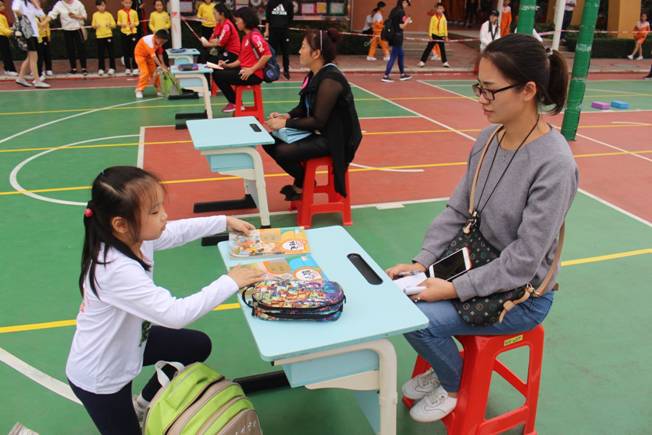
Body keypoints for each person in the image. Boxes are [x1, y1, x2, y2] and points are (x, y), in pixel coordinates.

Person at [386, 34, 578, 423]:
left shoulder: (555, 165)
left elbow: (523, 262)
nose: (482, 99)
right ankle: (447, 367)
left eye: (490, 90)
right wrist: (421, 263)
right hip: (474, 263)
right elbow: (458, 210)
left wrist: (452, 289)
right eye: (479, 88)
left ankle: (456, 381)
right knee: (397, 297)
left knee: (416, 320)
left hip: (521, 295)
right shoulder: (489, 138)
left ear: (528, 90)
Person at [66, 166, 263, 434]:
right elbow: (175, 315)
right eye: (154, 212)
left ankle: (143, 403)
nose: (164, 216)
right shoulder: (115, 268)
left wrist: (223, 222)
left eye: (161, 207)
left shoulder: (134, 238)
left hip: (132, 341)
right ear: (120, 224)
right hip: (102, 375)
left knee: (195, 346)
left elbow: (176, 231)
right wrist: (231, 280)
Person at [263, 29, 362, 202]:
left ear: (316, 53)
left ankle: (305, 182)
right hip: (320, 132)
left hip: (336, 139)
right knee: (268, 141)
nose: (299, 51)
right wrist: (286, 116)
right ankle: (304, 181)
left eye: (303, 47)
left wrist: (285, 124)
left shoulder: (330, 80)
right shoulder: (314, 75)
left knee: (282, 151)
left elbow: (318, 121)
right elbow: (304, 107)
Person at [211, 6, 271, 113]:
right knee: (219, 71)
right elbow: (240, 60)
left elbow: (267, 55)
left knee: (218, 75)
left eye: (238, 20)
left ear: (245, 20)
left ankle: (235, 103)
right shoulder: (245, 37)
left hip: (254, 75)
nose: (236, 23)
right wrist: (226, 65)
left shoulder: (255, 36)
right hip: (245, 71)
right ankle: (235, 102)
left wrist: (251, 70)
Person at [12, 0, 49, 87]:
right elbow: (15, 9)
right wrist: (23, 18)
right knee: (34, 57)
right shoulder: (19, 1)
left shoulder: (30, 4)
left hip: (34, 33)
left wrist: (36, 4)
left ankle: (20, 78)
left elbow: (42, 15)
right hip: (27, 32)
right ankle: (37, 81)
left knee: (30, 57)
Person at [48, 0, 88, 75]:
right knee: (70, 49)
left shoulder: (78, 3)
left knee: (81, 48)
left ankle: (84, 68)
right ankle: (73, 68)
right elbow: (53, 14)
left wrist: (76, 16)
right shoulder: (60, 4)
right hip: (67, 30)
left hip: (77, 29)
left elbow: (85, 16)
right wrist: (46, 20)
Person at [382, 0, 412, 83]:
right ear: (403, 2)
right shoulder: (401, 11)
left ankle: (402, 74)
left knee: (401, 54)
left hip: (393, 35)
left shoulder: (394, 10)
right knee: (393, 56)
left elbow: (394, 21)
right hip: (397, 36)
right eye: (406, 3)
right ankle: (386, 75)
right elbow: (401, 26)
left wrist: (405, 20)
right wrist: (407, 21)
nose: (406, 5)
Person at [133, 29, 168, 99]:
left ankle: (158, 89)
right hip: (140, 55)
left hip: (148, 56)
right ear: (156, 37)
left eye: (163, 42)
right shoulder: (149, 41)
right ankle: (139, 90)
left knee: (155, 72)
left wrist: (163, 65)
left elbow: (160, 54)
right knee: (145, 73)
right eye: (161, 41)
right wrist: (161, 66)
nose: (161, 44)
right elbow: (154, 57)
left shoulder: (159, 41)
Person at [265, 0, 293, 80]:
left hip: (284, 31)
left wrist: (284, 25)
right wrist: (267, 31)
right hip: (273, 31)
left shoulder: (288, 3)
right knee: (271, 52)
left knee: (286, 52)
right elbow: (267, 18)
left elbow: (291, 17)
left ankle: (286, 71)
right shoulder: (271, 2)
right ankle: (271, 70)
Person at [418, 2, 449, 68]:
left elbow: (445, 27)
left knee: (442, 49)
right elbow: (430, 27)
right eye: (438, 9)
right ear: (436, 9)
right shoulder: (433, 17)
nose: (440, 10)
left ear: (443, 9)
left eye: (441, 8)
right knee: (428, 48)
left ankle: (445, 62)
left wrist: (446, 36)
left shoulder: (444, 18)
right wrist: (430, 36)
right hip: (434, 35)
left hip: (441, 36)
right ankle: (422, 62)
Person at [92, 0, 116, 76]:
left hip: (108, 36)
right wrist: (95, 26)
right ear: (97, 6)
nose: (101, 7)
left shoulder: (109, 14)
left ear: (105, 5)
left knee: (111, 53)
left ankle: (112, 68)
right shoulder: (95, 15)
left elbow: (114, 25)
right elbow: (93, 25)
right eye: (99, 5)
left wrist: (110, 25)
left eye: (103, 5)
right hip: (99, 36)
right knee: (101, 53)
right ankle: (101, 69)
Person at [117, 0, 138, 75]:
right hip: (124, 33)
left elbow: (137, 22)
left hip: (133, 33)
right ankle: (128, 68)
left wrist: (134, 24)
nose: (128, 5)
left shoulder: (134, 12)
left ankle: (135, 68)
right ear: (122, 3)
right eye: (126, 3)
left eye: (129, 3)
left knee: (134, 51)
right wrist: (121, 24)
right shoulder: (120, 12)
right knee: (125, 51)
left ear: (132, 3)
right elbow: (118, 22)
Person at [148, 0, 170, 65]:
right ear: (154, 6)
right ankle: (157, 65)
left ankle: (166, 64)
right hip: (156, 35)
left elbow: (169, 23)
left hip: (164, 35)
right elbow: (150, 24)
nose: (159, 7)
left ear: (163, 6)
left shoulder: (165, 14)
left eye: (160, 5)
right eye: (157, 5)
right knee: (156, 50)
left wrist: (165, 27)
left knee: (165, 50)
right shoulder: (152, 14)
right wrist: (153, 29)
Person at [0, 0, 18, 76]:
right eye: (1, 6)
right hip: (1, 36)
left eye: (3, 5)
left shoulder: (3, 15)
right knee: (6, 53)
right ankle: (9, 69)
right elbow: (2, 28)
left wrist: (11, 30)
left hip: (4, 36)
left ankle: (8, 69)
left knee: (6, 53)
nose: (3, 7)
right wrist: (11, 32)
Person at [36, 12, 52, 80]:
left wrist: (48, 35)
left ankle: (49, 69)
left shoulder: (43, 15)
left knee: (47, 53)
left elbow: (47, 26)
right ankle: (39, 70)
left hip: (45, 37)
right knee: (39, 55)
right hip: (37, 38)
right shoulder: (32, 17)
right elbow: (39, 26)